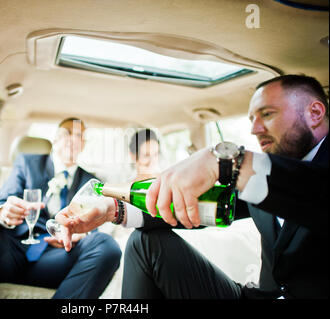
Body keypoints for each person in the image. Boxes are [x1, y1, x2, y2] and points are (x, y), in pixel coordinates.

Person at [56, 75, 329, 299]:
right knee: (145, 243)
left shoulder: (272, 172)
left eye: (267, 114)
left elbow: (312, 188)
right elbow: (196, 203)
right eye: (251, 120)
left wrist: (224, 161)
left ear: (315, 113)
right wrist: (112, 211)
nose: (255, 129)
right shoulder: (261, 176)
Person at [0, 117, 122, 299]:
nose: (73, 140)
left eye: (79, 136)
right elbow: (3, 200)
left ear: (83, 145)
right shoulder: (27, 163)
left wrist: (79, 235)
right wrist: (4, 212)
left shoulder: (90, 181)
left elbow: (92, 224)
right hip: (9, 248)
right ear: (56, 139)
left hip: (56, 258)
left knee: (107, 246)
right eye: (67, 133)